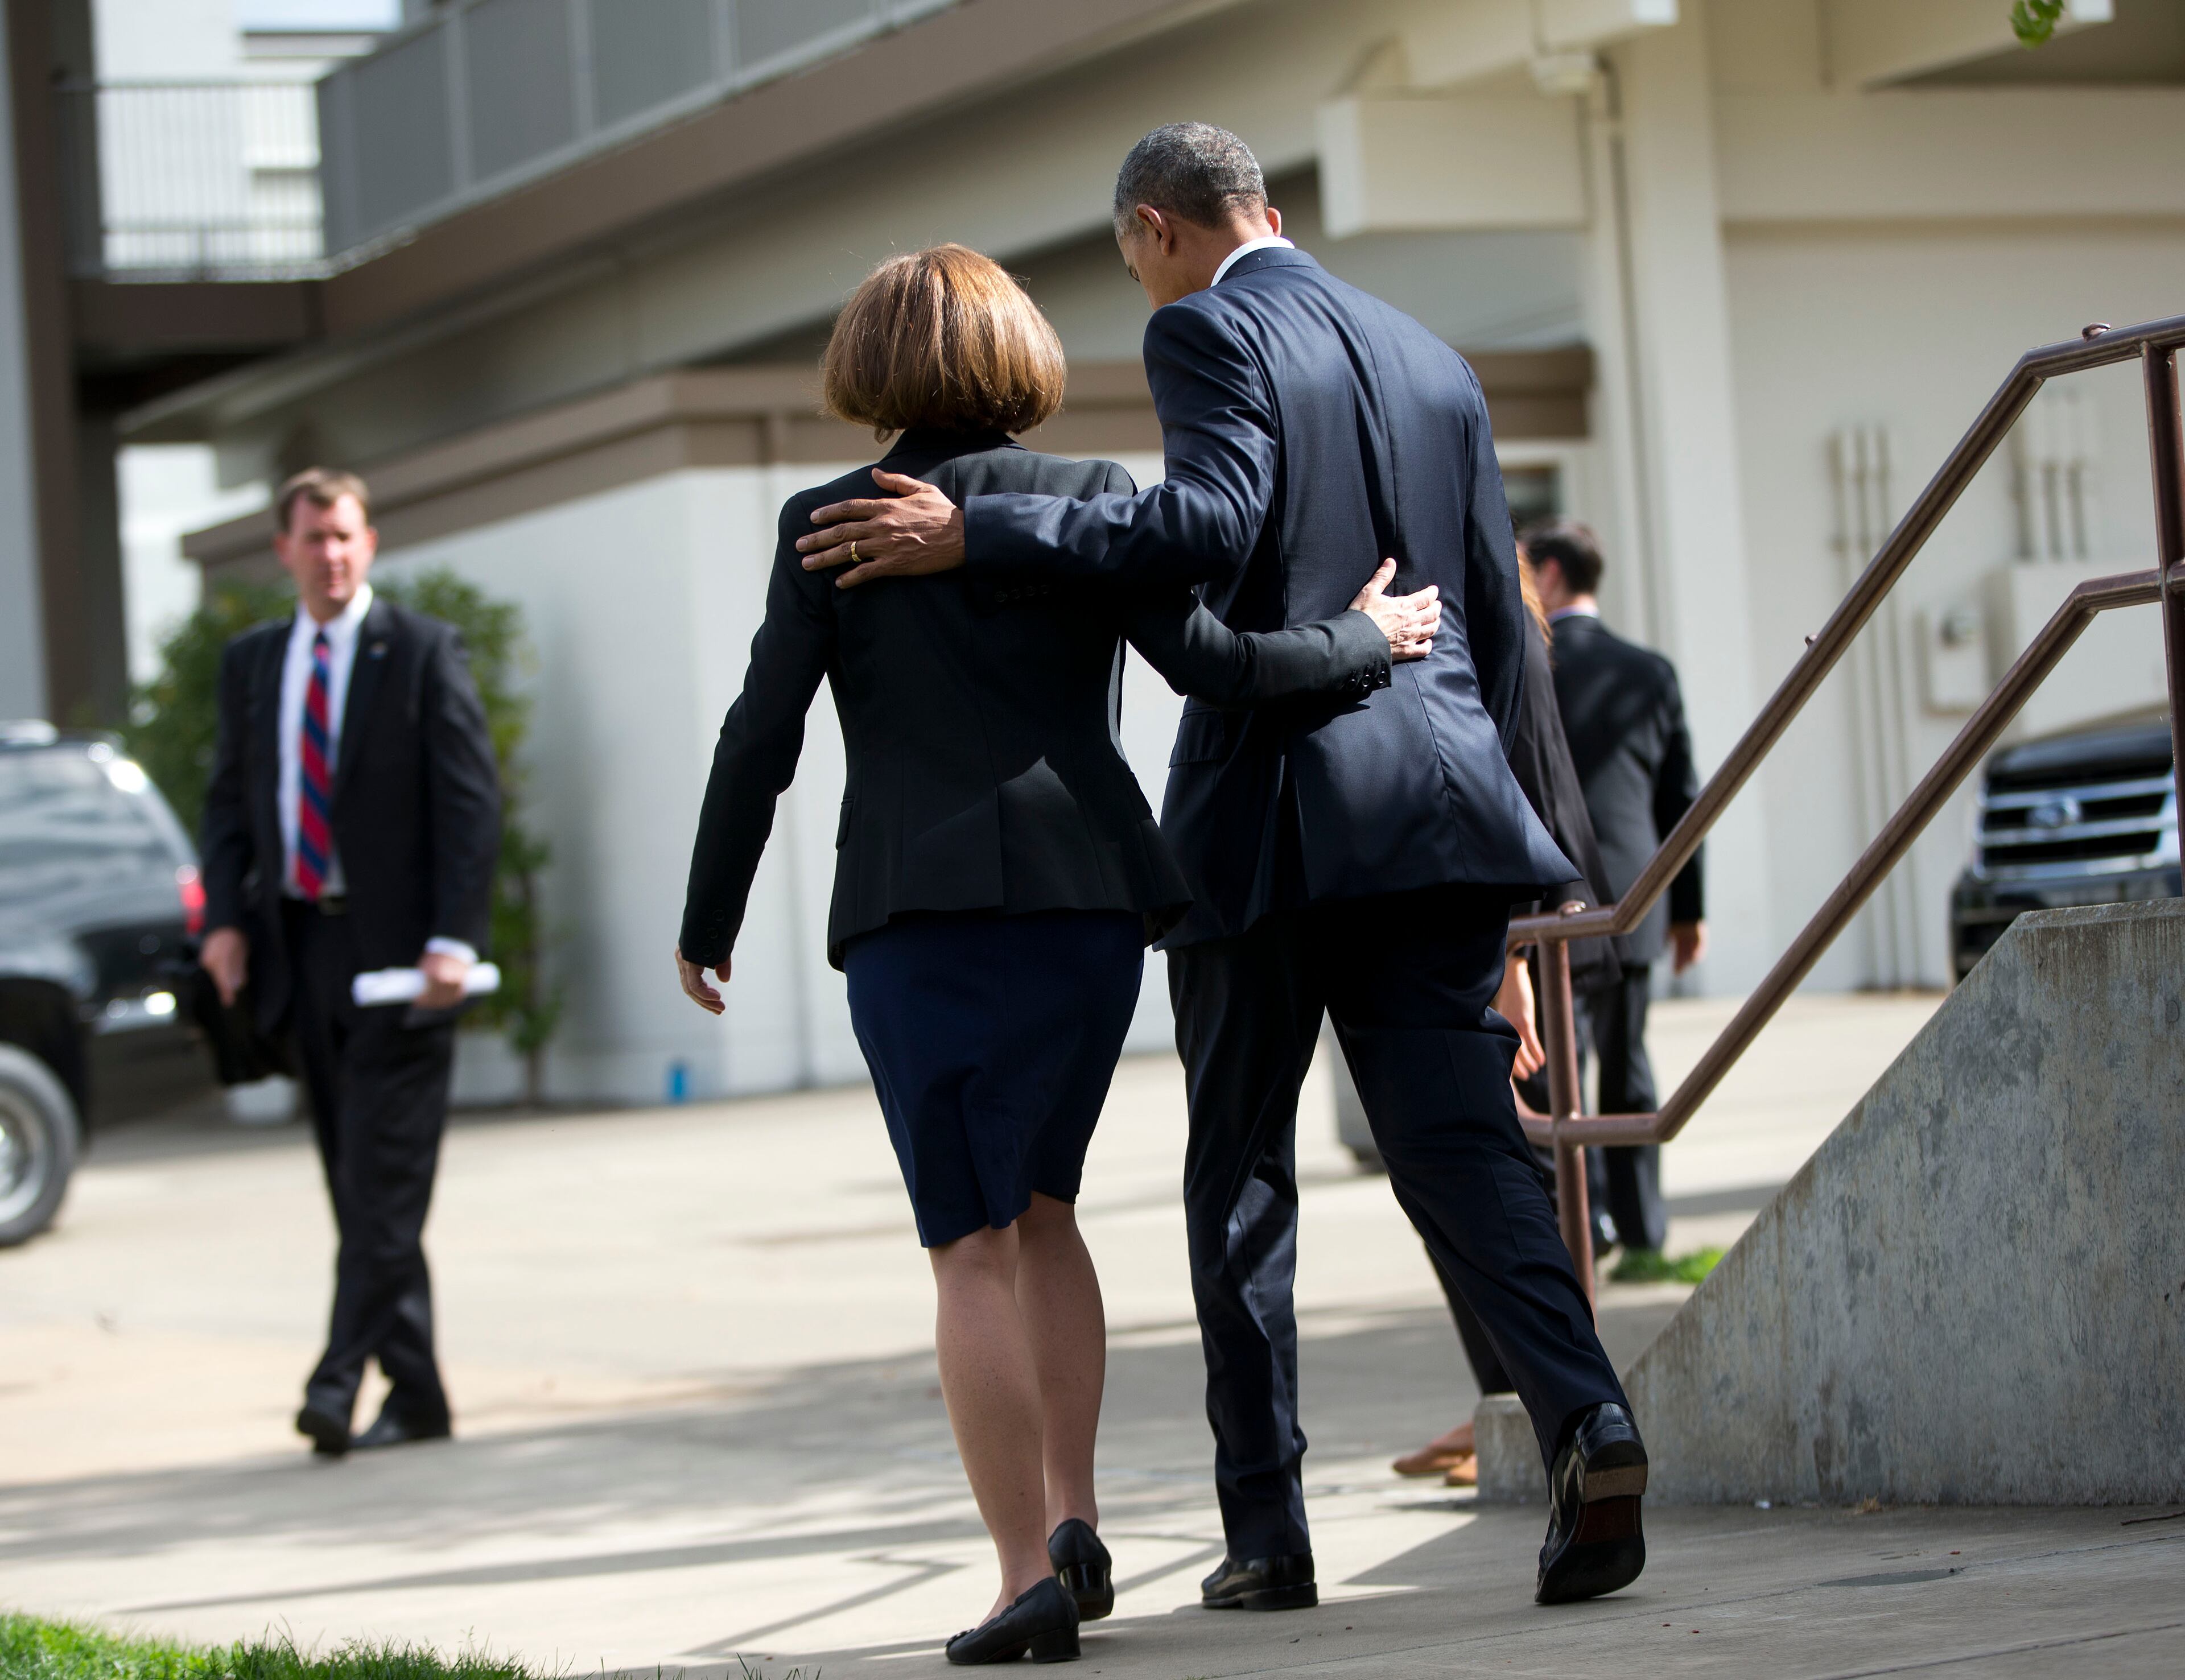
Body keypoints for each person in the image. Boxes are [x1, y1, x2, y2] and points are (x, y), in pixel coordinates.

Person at [794, 126, 1650, 1608]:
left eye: (1129, 258)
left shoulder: (1203, 329)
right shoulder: (1432, 356)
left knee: (1242, 1177)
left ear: (1156, 230)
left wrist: (972, 531)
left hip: (1272, 817)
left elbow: (1205, 528)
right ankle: (1592, 1415)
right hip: (1445, 816)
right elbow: (1507, 638)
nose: (1137, 284)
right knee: (1464, 1144)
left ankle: (1267, 1534)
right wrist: (1535, 891)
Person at [673, 245, 1442, 1665]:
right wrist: (1367, 637)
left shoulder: (826, 520)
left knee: (965, 1239)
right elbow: (1217, 663)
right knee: (1045, 1210)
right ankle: (1078, 1519)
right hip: (1090, 904)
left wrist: (707, 914)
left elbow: (760, 735)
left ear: (868, 365)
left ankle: (1023, 1569)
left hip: (918, 914)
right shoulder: (1088, 499)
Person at [198, 468, 500, 1458]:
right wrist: (228, 921)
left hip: (410, 966)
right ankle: (417, 1394)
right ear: (282, 550)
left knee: (381, 1186)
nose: (330, 554)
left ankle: (335, 1381)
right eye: (312, 537)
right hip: (302, 950)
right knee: (359, 1183)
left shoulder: (419, 653)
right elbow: (230, 806)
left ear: (368, 545)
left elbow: (470, 805)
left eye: (345, 536)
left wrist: (455, 940)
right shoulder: (251, 665)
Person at [1394, 550, 1623, 1486]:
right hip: (1513, 919)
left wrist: (1515, 955)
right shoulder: (1487, 592)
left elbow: (1513, 767)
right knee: (1489, 1168)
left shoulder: (1489, 596)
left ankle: (1553, 1402)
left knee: (1506, 1172)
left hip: (1518, 924)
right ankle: (1514, 1398)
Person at [1524, 518, 1706, 1261]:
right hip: (1636, 890)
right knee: (1627, 1056)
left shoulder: (1530, 659)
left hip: (1552, 887)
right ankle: (1644, 1228)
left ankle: (1584, 1220)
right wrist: (1688, 910)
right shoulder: (1651, 670)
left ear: (1555, 576)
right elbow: (1682, 801)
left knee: (1561, 1067)